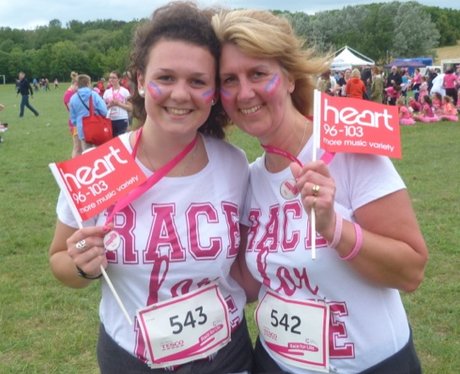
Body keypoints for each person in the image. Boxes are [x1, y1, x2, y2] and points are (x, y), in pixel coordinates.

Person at [213, 8, 428, 374]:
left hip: (371, 365)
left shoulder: (346, 151)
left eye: (258, 74)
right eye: (229, 79)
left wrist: (334, 229)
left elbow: (410, 271)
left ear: (291, 78)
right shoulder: (247, 178)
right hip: (275, 363)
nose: (244, 92)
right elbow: (248, 285)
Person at [49, 2, 253, 374]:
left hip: (224, 356)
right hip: (131, 357)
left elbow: (246, 268)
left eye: (197, 81)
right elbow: (59, 260)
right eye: (166, 78)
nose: (180, 94)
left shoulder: (234, 165)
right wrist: (82, 267)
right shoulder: (97, 169)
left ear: (213, 91)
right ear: (140, 81)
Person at [68, 74, 108, 151]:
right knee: (99, 151)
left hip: (82, 129)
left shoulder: (73, 98)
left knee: (86, 152)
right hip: (96, 126)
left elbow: (73, 119)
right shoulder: (94, 95)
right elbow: (104, 111)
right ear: (87, 83)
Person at [103, 70, 132, 136]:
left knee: (120, 140)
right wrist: (109, 105)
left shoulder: (125, 91)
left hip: (121, 119)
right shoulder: (107, 92)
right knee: (110, 141)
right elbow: (103, 108)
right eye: (110, 78)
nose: (111, 79)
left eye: (114, 78)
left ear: (119, 79)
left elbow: (130, 108)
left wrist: (119, 104)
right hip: (110, 119)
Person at [63, 71, 82, 158]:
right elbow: (72, 110)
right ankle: (75, 165)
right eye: (79, 86)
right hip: (75, 123)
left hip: (80, 122)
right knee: (77, 147)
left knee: (82, 147)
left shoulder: (75, 93)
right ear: (75, 84)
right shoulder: (68, 94)